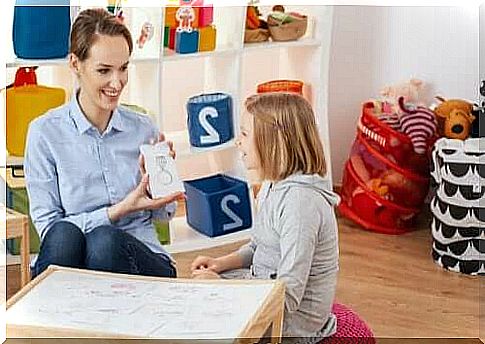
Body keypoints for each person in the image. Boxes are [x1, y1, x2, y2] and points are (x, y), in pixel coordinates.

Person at [25, 8, 184, 279]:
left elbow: (165, 215)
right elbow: (49, 227)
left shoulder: (143, 127)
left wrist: (162, 182)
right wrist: (117, 211)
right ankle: (61, 315)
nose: (117, 82)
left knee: (104, 241)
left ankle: (63, 314)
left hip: (141, 258)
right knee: (65, 234)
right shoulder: (44, 133)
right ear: (75, 64)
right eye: (104, 70)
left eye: (123, 69)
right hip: (71, 257)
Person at [191, 93, 340, 343]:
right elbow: (258, 247)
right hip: (263, 288)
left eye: (245, 134)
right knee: (196, 293)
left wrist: (223, 289)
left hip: (293, 324)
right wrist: (220, 264)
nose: (238, 142)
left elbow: (289, 295)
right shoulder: (273, 185)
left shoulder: (300, 204)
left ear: (274, 142)